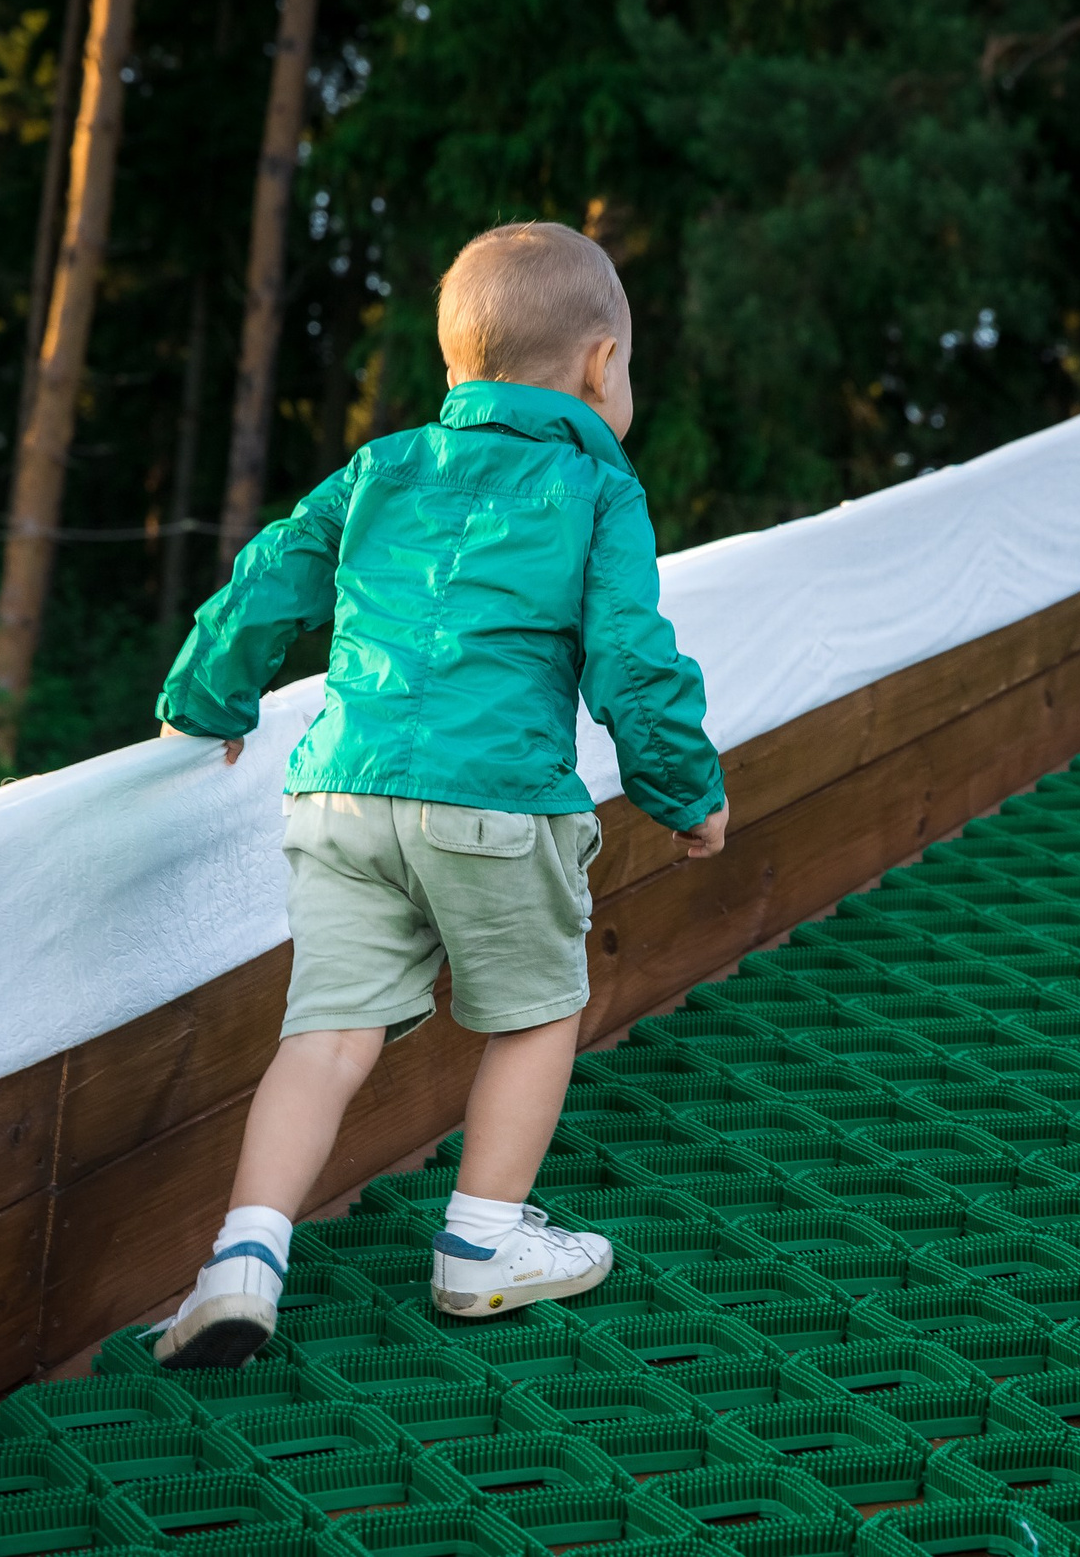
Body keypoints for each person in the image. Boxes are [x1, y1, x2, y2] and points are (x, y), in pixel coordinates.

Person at [146, 221, 729, 1368]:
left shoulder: (383, 466)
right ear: (601, 366)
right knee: (534, 1011)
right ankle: (482, 1246)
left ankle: (242, 1261)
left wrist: (205, 698)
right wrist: (685, 791)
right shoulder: (597, 486)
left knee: (324, 1038)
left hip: (342, 794)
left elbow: (273, 576)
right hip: (497, 802)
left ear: (456, 368)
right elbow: (629, 656)